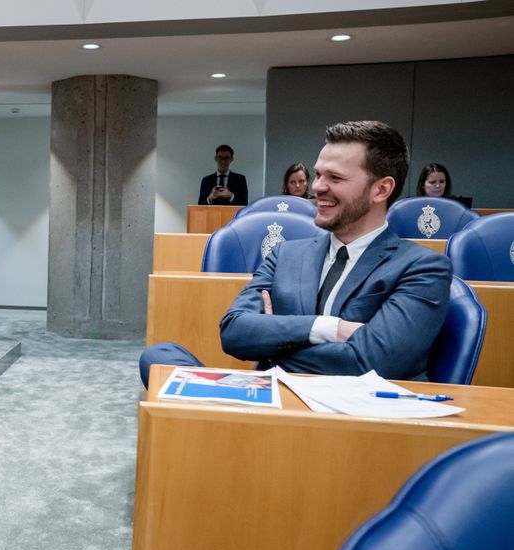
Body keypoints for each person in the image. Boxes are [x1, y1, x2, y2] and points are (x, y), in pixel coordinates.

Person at [142, 120, 452, 387]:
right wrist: (329, 328)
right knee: (158, 357)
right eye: (318, 175)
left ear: (381, 190)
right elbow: (234, 333)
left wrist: (274, 343)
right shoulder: (285, 254)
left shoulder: (423, 267)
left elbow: (372, 362)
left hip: (350, 420)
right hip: (267, 394)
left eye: (335, 178)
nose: (317, 187)